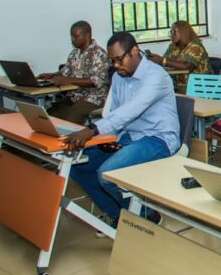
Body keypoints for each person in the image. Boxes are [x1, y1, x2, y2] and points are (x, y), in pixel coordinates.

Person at [66, 32, 181, 230]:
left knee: (107, 174)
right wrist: (107, 137)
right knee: (77, 167)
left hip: (158, 138)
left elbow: (132, 109)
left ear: (134, 51)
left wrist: (92, 130)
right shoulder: (120, 76)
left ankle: (147, 215)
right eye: (113, 62)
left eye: (119, 60)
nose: (116, 66)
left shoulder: (156, 76)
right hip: (128, 136)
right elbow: (115, 113)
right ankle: (118, 216)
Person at [38, 21, 110, 124]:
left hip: (94, 98)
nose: (73, 40)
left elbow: (96, 81)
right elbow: (66, 72)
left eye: (76, 36)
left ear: (87, 35)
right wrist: (53, 75)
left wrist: (67, 80)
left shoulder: (99, 54)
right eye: (72, 37)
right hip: (74, 96)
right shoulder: (74, 53)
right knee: (49, 116)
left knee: (69, 121)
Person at [147, 21, 210, 93]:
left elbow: (187, 66)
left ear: (184, 32)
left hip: (198, 86)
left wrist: (162, 60)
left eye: (174, 32)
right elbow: (165, 61)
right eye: (171, 32)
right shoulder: (173, 46)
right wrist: (155, 60)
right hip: (178, 85)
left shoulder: (195, 46)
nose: (171, 35)